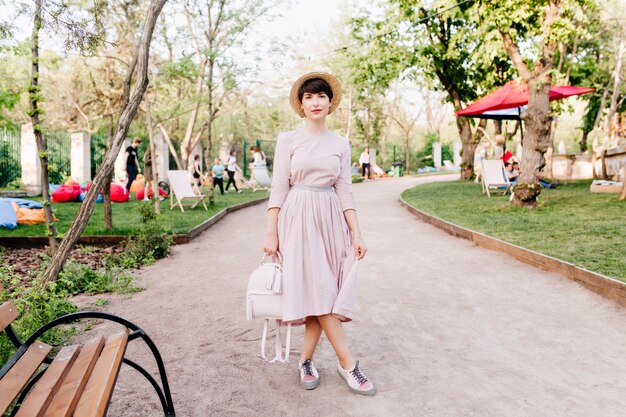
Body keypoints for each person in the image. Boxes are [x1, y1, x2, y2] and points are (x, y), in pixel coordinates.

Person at [263, 72, 375, 396]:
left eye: (321, 96)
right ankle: (348, 363)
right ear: (301, 104)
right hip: (297, 217)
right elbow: (278, 187)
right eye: (309, 97)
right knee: (322, 290)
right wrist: (271, 231)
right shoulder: (288, 140)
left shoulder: (340, 143)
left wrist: (357, 233)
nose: (315, 102)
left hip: (330, 220)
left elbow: (345, 190)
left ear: (330, 102)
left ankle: (306, 360)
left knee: (320, 292)